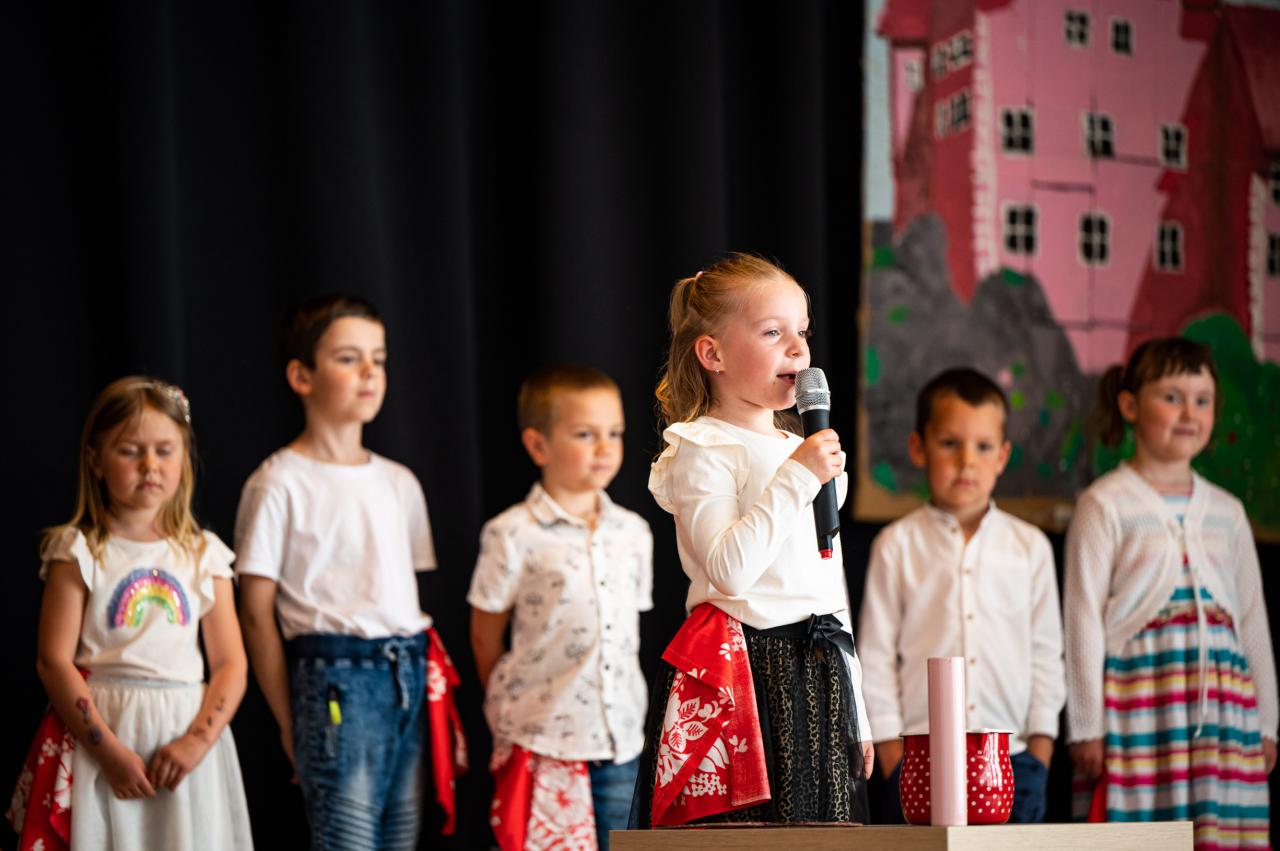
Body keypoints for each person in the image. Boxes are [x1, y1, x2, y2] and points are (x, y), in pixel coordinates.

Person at [631, 253, 873, 828]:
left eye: (802, 332)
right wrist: (798, 477)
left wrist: (857, 710)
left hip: (819, 669)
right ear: (712, 354)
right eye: (772, 332)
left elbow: (828, 584)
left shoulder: (804, 452)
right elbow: (728, 570)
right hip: (745, 672)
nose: (797, 349)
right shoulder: (703, 447)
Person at [11, 377, 252, 850]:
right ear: (95, 459)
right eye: (129, 451)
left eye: (165, 450)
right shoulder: (78, 551)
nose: (150, 466)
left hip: (187, 745)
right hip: (104, 739)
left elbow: (231, 664)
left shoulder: (204, 554)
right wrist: (109, 754)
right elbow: (53, 661)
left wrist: (195, 743)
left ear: (185, 457)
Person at [235, 295, 438, 851]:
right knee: (347, 839)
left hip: (407, 669)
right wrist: (288, 720)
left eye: (379, 358)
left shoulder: (399, 482)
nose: (370, 371)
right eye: (349, 358)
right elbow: (254, 613)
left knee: (402, 836)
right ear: (302, 376)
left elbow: (405, 591)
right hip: (336, 682)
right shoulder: (278, 483)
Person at [1065, 337, 1276, 847]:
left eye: (1202, 401)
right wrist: (1088, 725)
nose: (1189, 413)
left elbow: (1251, 619)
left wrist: (1267, 723)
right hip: (1141, 704)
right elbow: (1082, 616)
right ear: (1130, 405)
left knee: (1217, 829)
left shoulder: (1227, 512)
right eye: (1172, 397)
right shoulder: (1105, 504)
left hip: (1223, 715)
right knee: (1146, 833)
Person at [857, 367, 1064, 823]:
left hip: (1013, 759)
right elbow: (875, 658)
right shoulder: (896, 545)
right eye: (950, 443)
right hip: (919, 760)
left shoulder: (1029, 547)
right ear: (919, 448)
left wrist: (1041, 749)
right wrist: (893, 756)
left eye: (983, 446)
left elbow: (1047, 655)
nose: (967, 461)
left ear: (1003, 456)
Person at [470, 363, 653, 850]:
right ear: (538, 446)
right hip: (543, 741)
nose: (605, 448)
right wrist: (513, 709)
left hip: (620, 742)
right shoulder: (512, 533)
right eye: (585, 434)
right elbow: (485, 637)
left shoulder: (633, 532)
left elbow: (626, 636)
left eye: (614, 433)